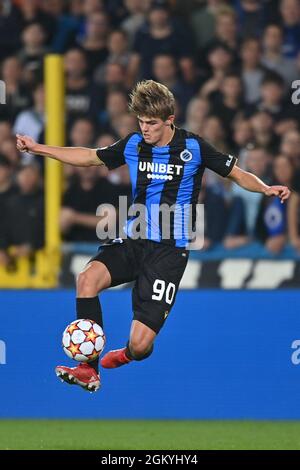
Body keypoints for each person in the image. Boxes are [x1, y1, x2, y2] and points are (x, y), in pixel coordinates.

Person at [16, 80, 291, 392]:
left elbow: (238, 174)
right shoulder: (133, 145)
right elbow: (90, 156)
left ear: (169, 120)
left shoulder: (194, 147)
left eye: (151, 123)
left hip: (169, 253)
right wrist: (39, 149)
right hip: (134, 240)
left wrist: (267, 187)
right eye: (141, 122)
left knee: (142, 344)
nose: (144, 128)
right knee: (87, 279)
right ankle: (88, 370)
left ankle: (128, 354)